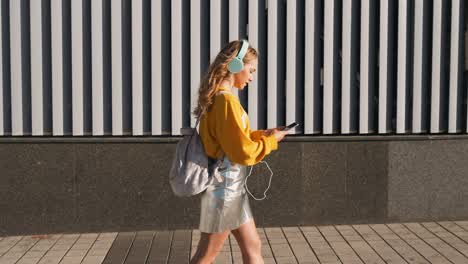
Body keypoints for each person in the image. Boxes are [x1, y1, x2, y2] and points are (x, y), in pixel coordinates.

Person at [189, 40, 288, 264]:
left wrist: (263, 135)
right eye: (250, 70)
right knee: (206, 256)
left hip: (228, 188)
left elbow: (232, 140)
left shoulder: (220, 99)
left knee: (253, 246)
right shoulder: (226, 102)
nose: (252, 77)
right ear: (235, 66)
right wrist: (271, 142)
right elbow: (242, 152)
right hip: (225, 192)